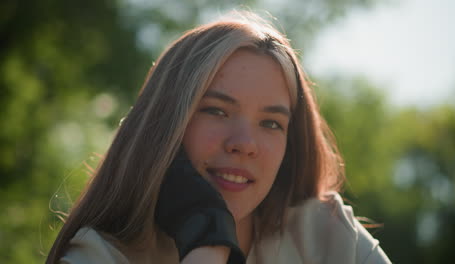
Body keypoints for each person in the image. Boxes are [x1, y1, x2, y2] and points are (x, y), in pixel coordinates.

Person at [46, 10, 391, 264]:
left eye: (271, 123)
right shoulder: (97, 256)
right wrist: (208, 240)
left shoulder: (327, 235)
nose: (245, 143)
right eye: (217, 111)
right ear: (167, 124)